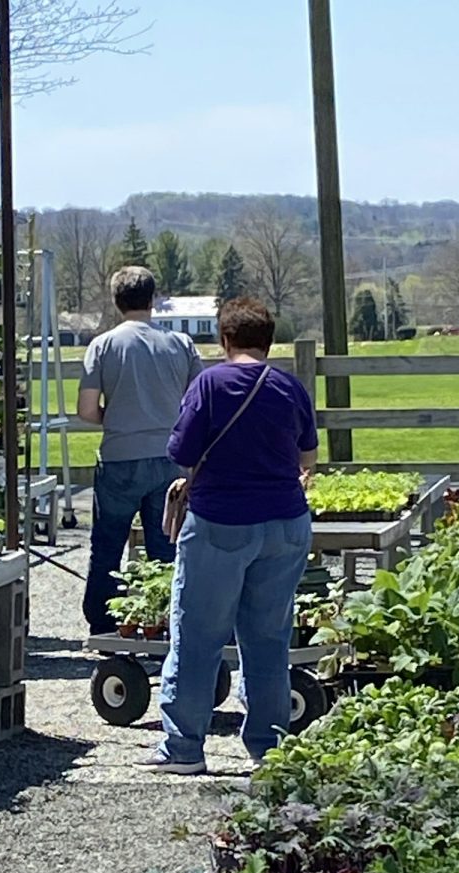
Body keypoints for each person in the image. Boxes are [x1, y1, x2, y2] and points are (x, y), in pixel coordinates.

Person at [141, 297, 318, 775]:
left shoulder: (209, 384)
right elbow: (307, 461)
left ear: (224, 339)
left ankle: (183, 747)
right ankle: (269, 746)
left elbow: (181, 451)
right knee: (268, 638)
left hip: (221, 521)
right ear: (268, 341)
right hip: (285, 522)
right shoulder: (290, 387)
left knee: (197, 634)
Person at [78, 266, 202, 635]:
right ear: (153, 299)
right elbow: (198, 404)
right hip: (170, 458)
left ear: (117, 302)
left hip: (119, 455)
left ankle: (102, 624)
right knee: (166, 547)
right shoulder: (181, 344)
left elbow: (86, 410)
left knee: (107, 546)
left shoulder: (103, 345)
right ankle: (164, 623)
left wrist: (116, 418)